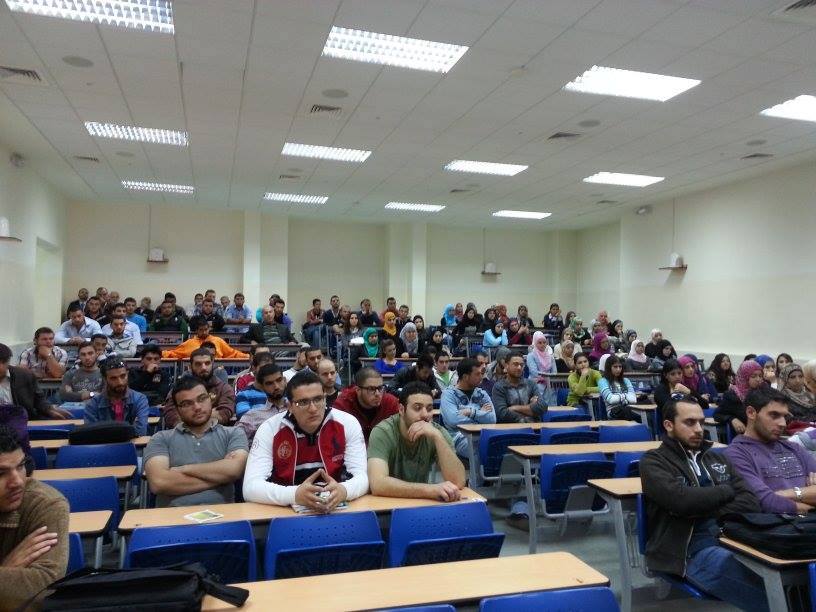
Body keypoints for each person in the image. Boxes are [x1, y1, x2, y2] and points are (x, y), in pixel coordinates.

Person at [639, 395, 766, 612]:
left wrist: (702, 505)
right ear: (669, 425)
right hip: (688, 550)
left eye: (701, 421)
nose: (698, 429)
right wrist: (726, 491)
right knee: (766, 586)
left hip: (738, 539)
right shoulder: (653, 461)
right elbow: (681, 501)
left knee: (787, 568)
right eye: (689, 422)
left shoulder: (718, 458)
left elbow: (750, 502)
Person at [243, 371, 368, 510]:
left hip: (338, 510)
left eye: (318, 399)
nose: (313, 408)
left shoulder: (347, 423)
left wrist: (344, 490)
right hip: (285, 514)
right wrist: (294, 494)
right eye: (303, 402)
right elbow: (250, 487)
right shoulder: (269, 429)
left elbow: (362, 478)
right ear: (289, 405)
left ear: (325, 398)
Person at [145, 377, 248, 508]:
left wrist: (183, 469)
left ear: (210, 399)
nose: (197, 407)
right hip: (171, 519)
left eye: (202, 399)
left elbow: (234, 470)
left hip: (223, 517)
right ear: (177, 410)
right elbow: (159, 482)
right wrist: (221, 477)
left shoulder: (233, 433)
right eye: (187, 403)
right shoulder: (160, 438)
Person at [0, 425, 69, 608]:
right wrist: (7, 568)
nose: (16, 482)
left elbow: (44, 589)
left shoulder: (45, 503)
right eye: (1, 473)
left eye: (21, 466)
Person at [367, 382, 466, 501]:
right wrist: (430, 490)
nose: (425, 415)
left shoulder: (437, 432)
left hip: (419, 503)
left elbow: (458, 481)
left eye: (429, 409)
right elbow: (378, 484)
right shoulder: (383, 432)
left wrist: (438, 438)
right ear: (401, 409)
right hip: (385, 505)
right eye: (417, 408)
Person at [725, 388, 816, 514]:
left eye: (785, 416)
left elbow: (770, 498)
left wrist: (784, 494)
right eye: (774, 415)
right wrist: (810, 500)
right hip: (780, 528)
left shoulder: (794, 448)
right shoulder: (736, 453)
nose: (783, 423)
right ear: (751, 413)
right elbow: (765, 502)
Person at [162, 349, 236, 428]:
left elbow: (224, 414)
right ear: (190, 367)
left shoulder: (224, 388)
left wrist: (188, 415)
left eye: (207, 363)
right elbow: (171, 416)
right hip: (184, 435)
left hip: (216, 434)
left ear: (212, 364)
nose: (204, 368)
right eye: (198, 364)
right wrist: (211, 413)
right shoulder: (178, 389)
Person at [440, 358, 496, 457]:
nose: (481, 377)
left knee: (501, 444)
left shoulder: (482, 393)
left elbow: (492, 419)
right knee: (482, 448)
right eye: (477, 374)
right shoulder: (448, 394)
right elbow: (453, 420)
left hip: (483, 434)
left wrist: (471, 412)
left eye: (481, 373)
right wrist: (481, 414)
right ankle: (479, 473)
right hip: (459, 438)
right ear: (465, 377)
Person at [84, 357, 150, 435]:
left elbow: (140, 431)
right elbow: (91, 436)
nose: (120, 382)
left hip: (133, 446)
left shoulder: (139, 399)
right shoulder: (92, 405)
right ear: (105, 379)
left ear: (127, 374)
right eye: (113, 378)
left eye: (123, 376)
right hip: (103, 447)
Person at [0, 344, 68, 420]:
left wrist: (49, 410)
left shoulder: (24, 376)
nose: (0, 367)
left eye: (3, 362)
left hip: (23, 422)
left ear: (8, 361)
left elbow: (39, 399)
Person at [333, 368, 400, 443]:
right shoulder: (343, 404)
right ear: (358, 390)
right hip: (352, 449)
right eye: (371, 389)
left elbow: (403, 423)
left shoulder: (390, 402)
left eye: (380, 388)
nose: (378, 394)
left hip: (382, 449)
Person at [235, 363, 288, 443]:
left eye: (279, 380)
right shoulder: (252, 416)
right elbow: (235, 439)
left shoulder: (297, 408)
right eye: (269, 383)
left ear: (284, 380)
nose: (276, 386)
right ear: (262, 387)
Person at [492, 352, 548, 424]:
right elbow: (502, 414)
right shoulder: (499, 387)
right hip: (510, 431)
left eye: (521, 365)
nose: (519, 367)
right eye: (515, 364)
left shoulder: (531, 384)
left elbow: (542, 407)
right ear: (506, 366)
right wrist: (530, 408)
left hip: (534, 428)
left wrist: (514, 408)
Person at [162, 316, 249, 360]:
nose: (204, 332)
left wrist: (248, 356)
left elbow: (233, 353)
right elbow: (173, 353)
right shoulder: (189, 343)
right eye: (201, 330)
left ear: (209, 329)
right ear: (196, 330)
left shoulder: (218, 341)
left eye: (206, 329)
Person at [715, 359, 764, 435]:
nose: (758, 379)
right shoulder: (733, 395)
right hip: (745, 436)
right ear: (744, 377)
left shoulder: (764, 392)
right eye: (753, 376)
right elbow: (717, 414)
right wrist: (732, 419)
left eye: (760, 376)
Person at [598, 355, 640, 422]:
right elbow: (611, 399)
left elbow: (633, 399)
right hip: (613, 412)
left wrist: (619, 397)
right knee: (629, 412)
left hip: (629, 409)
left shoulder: (626, 380)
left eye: (620, 367)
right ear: (609, 368)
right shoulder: (603, 381)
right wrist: (626, 397)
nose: (618, 369)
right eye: (615, 367)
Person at [527, 331, 556, 405]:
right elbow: (534, 372)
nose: (542, 345)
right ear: (535, 343)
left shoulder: (550, 357)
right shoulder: (531, 356)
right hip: (536, 382)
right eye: (539, 343)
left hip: (549, 382)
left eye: (544, 342)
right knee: (539, 388)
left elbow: (554, 372)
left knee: (553, 390)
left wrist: (548, 379)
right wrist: (546, 377)